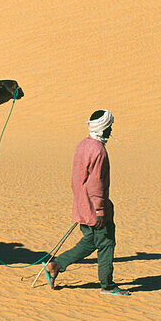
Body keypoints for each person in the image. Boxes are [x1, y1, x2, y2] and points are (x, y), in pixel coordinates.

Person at [45, 109, 131, 296]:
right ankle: (107, 285)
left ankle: (56, 265)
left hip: (82, 204)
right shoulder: (98, 150)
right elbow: (95, 183)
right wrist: (100, 210)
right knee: (106, 243)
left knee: (91, 241)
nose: (110, 131)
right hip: (94, 207)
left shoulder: (82, 145)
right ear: (103, 128)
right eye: (109, 127)